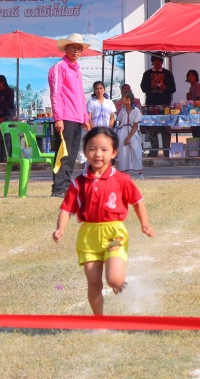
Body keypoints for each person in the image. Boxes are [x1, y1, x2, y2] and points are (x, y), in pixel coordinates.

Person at [52, 127, 154, 316]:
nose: (98, 154)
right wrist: (60, 229)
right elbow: (66, 209)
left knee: (114, 279)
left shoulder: (122, 180)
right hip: (88, 238)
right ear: (85, 151)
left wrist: (145, 224)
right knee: (94, 285)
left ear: (114, 152)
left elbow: (137, 202)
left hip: (114, 235)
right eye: (92, 149)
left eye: (104, 149)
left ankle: (118, 280)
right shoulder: (78, 183)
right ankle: (100, 322)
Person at [50, 33, 93, 197]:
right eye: (73, 47)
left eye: (78, 48)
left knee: (73, 154)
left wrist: (85, 117)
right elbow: (55, 94)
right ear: (66, 48)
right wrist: (58, 118)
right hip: (65, 117)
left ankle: (66, 186)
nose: (76, 51)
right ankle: (58, 187)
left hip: (77, 118)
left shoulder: (77, 69)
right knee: (63, 153)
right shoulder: (59, 67)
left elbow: (80, 95)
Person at [140, 55, 176, 157]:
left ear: (162, 62)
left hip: (165, 105)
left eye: (159, 61)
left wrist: (166, 87)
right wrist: (151, 86)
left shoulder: (167, 74)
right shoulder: (147, 74)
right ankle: (154, 151)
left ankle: (166, 151)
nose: (157, 63)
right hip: (151, 105)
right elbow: (143, 88)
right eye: (154, 61)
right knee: (152, 129)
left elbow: (173, 89)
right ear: (152, 62)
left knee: (166, 129)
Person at [115, 90, 143, 179]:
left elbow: (135, 126)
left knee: (136, 152)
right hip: (122, 133)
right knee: (123, 153)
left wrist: (128, 138)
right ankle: (124, 173)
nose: (121, 100)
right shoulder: (122, 111)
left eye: (123, 99)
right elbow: (119, 123)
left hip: (133, 134)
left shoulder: (136, 111)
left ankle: (140, 173)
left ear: (128, 100)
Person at [0, 74, 15, 163]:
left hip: (7, 116)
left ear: (3, 82)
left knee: (6, 136)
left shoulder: (9, 91)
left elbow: (10, 104)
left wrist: (0, 101)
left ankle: (5, 156)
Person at [185, 69, 200, 138]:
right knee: (195, 133)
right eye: (189, 76)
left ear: (196, 77)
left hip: (199, 112)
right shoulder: (191, 87)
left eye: (192, 75)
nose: (190, 77)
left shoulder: (197, 85)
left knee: (198, 133)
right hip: (194, 111)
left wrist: (194, 108)